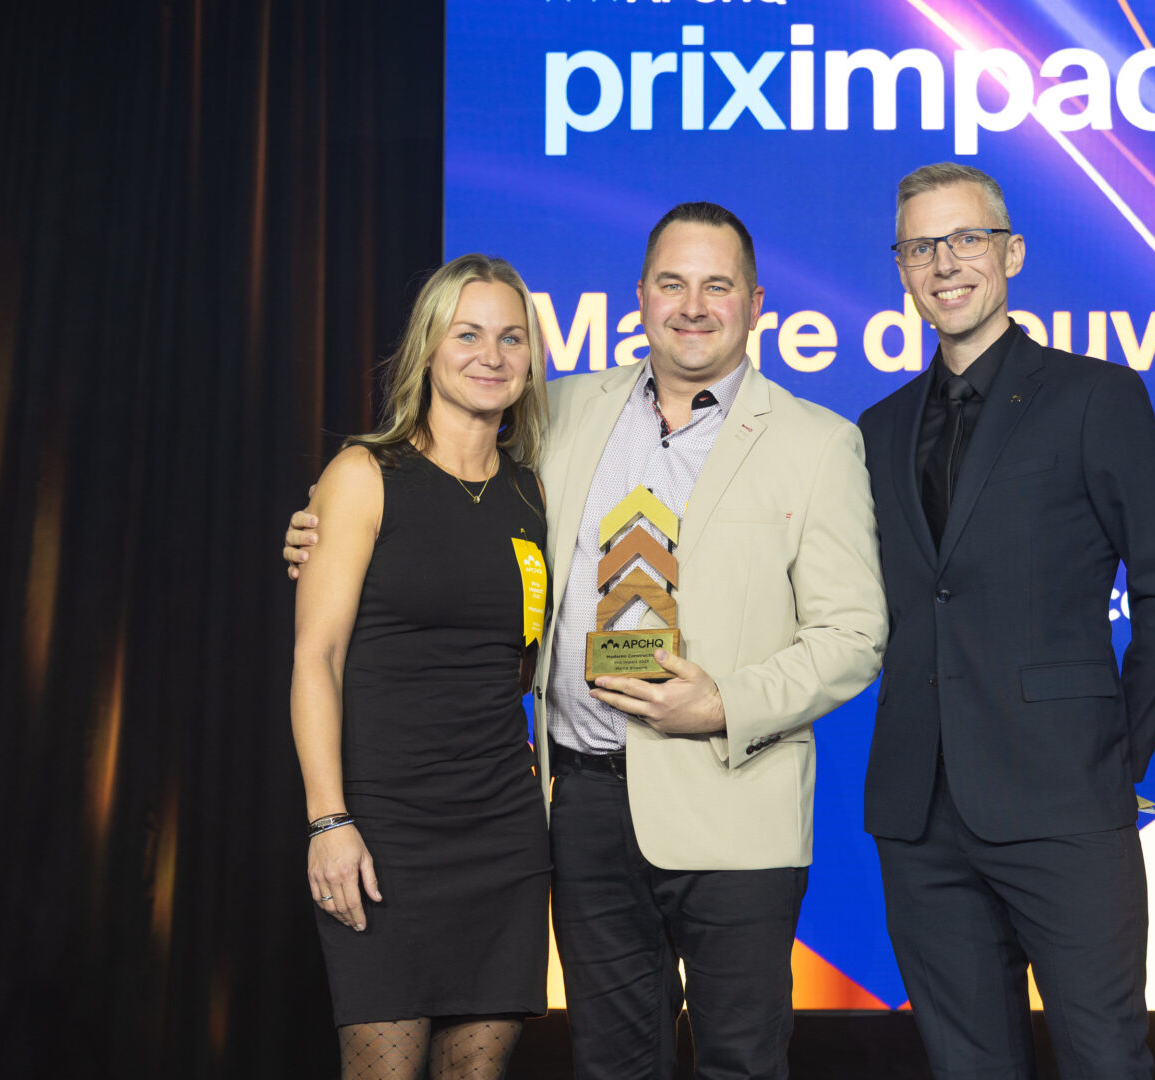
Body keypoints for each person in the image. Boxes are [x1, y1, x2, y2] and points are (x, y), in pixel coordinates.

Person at [287, 203, 887, 1080]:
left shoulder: (818, 443)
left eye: (717, 285)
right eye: (672, 283)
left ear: (756, 302)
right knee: (610, 1064)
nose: (692, 305)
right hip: (581, 812)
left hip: (734, 811)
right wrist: (321, 526)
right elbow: (438, 497)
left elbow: (855, 635)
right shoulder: (561, 412)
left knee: (742, 1063)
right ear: (638, 296)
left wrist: (723, 702)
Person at [857, 162, 1155, 1079]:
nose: (945, 263)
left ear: (1010, 252)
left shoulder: (1096, 396)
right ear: (901, 268)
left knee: (1103, 1060)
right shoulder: (878, 428)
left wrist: (1113, 754)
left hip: (1065, 801)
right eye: (921, 246)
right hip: (919, 814)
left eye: (966, 239)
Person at [290, 254, 553, 1079]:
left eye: (511, 337)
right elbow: (315, 660)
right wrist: (329, 822)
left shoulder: (533, 496)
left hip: (504, 833)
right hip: (384, 829)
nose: (491, 354)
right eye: (467, 333)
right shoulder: (366, 475)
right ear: (429, 350)